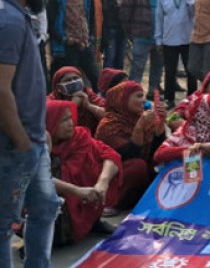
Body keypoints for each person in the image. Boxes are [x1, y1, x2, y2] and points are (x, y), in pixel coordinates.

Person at [0, 0, 69, 268]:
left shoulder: (18, 16)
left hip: (31, 139)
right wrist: (23, 141)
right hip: (15, 142)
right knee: (4, 222)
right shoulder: (7, 21)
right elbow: (1, 91)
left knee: (45, 207)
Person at [45, 100, 120, 245]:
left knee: (96, 163)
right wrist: (76, 191)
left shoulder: (79, 137)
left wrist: (102, 184)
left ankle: (93, 221)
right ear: (50, 122)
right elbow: (38, 178)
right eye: (64, 120)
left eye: (70, 117)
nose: (71, 123)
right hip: (48, 206)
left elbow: (110, 155)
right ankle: (33, 239)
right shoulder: (37, 145)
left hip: (84, 195)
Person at [95, 81, 163, 209]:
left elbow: (155, 152)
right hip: (115, 176)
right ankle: (115, 202)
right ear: (122, 99)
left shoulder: (141, 118)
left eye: (143, 96)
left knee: (163, 162)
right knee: (137, 166)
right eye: (138, 96)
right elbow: (126, 156)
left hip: (139, 175)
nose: (143, 100)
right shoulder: (109, 125)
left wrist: (160, 128)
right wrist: (138, 129)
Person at [153, 93, 210, 167]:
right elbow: (159, 154)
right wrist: (191, 150)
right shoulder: (188, 130)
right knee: (193, 158)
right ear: (207, 114)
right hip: (192, 176)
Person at [47, 0, 100, 87]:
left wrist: (91, 38)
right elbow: (50, 24)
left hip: (85, 44)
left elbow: (91, 19)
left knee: (96, 78)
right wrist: (64, 40)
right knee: (66, 80)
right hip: (66, 47)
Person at [120, 0, 164, 94]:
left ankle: (153, 92)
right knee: (138, 66)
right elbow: (124, 15)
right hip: (141, 36)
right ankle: (133, 92)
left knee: (157, 67)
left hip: (159, 38)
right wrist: (132, 34)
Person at [156, 0, 196, 107]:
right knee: (170, 70)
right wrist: (158, 40)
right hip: (169, 40)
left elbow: (194, 13)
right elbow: (159, 19)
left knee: (190, 70)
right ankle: (169, 99)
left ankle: (192, 98)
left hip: (188, 39)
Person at [95, 0, 133, 70]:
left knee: (120, 58)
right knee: (110, 57)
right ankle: (107, 85)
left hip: (124, 27)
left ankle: (118, 85)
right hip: (109, 26)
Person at [48, 66, 106, 133]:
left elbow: (108, 116)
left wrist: (89, 106)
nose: (73, 82)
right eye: (68, 80)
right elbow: (52, 125)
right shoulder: (52, 100)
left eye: (75, 78)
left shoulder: (87, 93)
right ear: (59, 87)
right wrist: (73, 105)